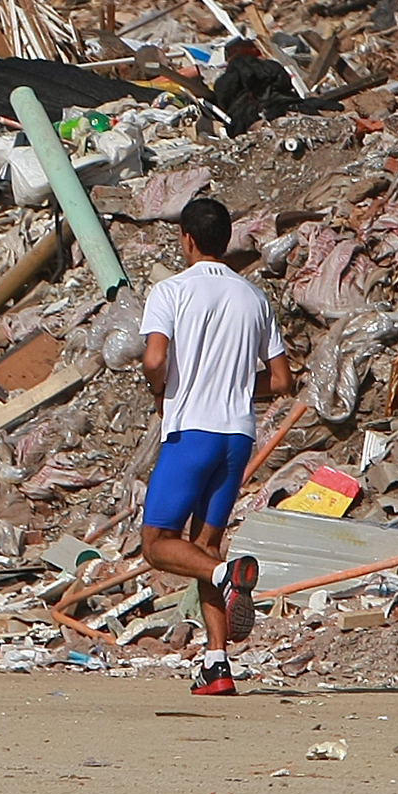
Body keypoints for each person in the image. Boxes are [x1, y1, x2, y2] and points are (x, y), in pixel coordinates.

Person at [136, 194, 288, 696]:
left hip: (191, 431)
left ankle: (228, 574)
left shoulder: (170, 291)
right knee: (204, 547)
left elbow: (155, 359)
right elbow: (282, 380)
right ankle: (217, 663)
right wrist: (242, 388)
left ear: (185, 239)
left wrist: (162, 389)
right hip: (238, 435)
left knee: (158, 544)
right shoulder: (254, 299)